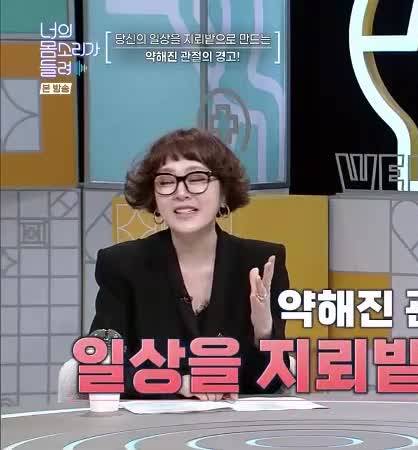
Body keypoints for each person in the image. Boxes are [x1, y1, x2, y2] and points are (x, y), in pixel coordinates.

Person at [89, 128, 289, 400]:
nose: (181, 192)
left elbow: (272, 383)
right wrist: (178, 383)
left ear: (223, 193)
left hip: (234, 422)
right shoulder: (122, 265)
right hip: (149, 422)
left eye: (197, 179)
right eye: (166, 181)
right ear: (155, 198)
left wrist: (263, 331)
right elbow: (100, 367)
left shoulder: (259, 262)